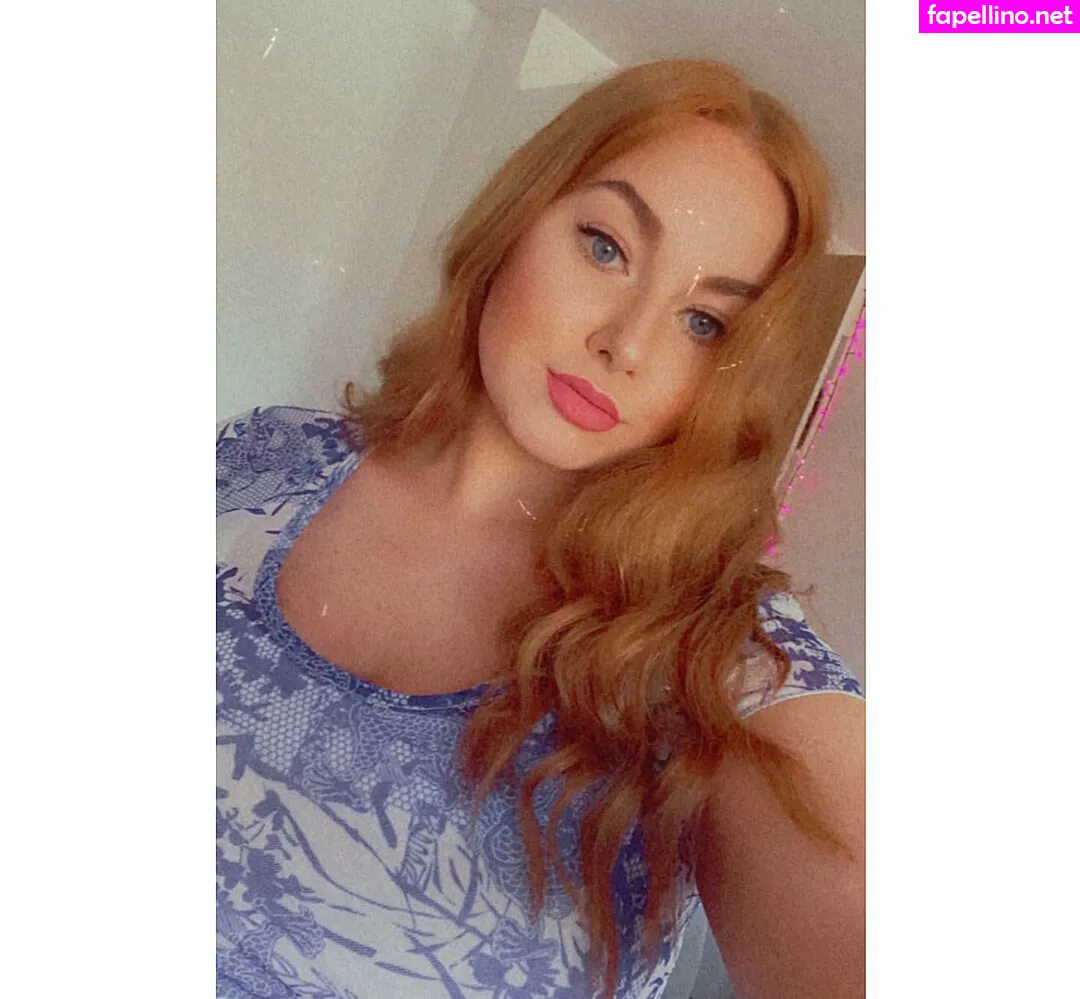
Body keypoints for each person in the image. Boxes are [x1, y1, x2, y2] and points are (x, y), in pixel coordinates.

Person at [216, 59, 865, 999]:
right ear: (518, 216)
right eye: (606, 247)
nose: (627, 343)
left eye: (703, 322)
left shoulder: (711, 654)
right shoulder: (261, 457)